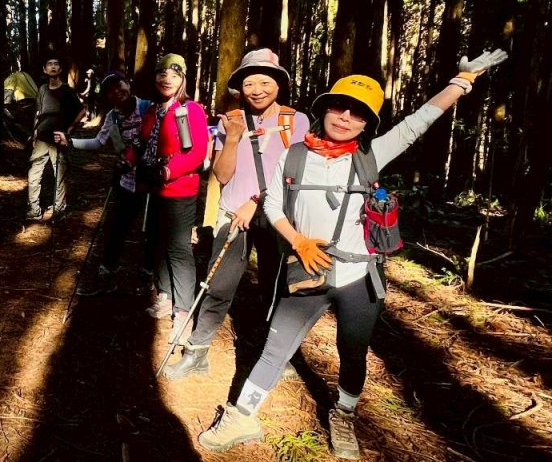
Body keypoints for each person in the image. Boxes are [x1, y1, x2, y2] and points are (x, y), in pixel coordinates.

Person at [195, 50, 507, 459]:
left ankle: (343, 415)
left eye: (357, 113)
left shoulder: (371, 156)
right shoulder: (295, 154)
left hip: (359, 277)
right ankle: (242, 415)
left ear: (367, 123)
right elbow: (271, 203)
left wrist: (461, 82)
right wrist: (298, 241)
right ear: (324, 109)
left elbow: (418, 124)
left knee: (353, 349)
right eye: (338, 107)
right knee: (275, 347)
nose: (344, 117)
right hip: (306, 268)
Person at [162, 48, 310, 380]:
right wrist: (231, 139)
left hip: (277, 216)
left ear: (279, 84)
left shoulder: (296, 121)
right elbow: (222, 174)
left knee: (276, 286)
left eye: (265, 81)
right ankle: (198, 352)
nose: (257, 89)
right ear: (239, 87)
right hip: (233, 214)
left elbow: (296, 175)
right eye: (249, 83)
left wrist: (257, 201)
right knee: (217, 285)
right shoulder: (226, 121)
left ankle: (276, 356)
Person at [53, 72, 154, 295]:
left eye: (120, 86)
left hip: (154, 182)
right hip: (126, 180)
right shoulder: (113, 117)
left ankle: (149, 274)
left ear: (128, 84)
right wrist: (70, 142)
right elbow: (99, 141)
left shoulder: (149, 108)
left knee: (151, 231)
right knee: (116, 227)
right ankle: (107, 270)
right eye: (111, 91)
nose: (118, 92)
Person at [139, 54, 209, 340]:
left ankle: (182, 312)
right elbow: (144, 144)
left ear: (183, 79)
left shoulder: (190, 109)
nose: (166, 79)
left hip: (179, 189)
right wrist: (130, 157)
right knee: (159, 242)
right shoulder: (153, 110)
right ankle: (166, 296)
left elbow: (198, 152)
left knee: (179, 250)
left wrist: (168, 171)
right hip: (155, 188)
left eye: (173, 74)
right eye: (161, 74)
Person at [26, 55, 86, 221]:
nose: (53, 67)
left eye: (56, 64)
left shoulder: (66, 90)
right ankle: (34, 210)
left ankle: (59, 209)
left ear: (60, 69)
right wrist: (34, 133)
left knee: (59, 175)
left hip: (58, 140)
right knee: (34, 174)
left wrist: (69, 130)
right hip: (41, 139)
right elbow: (38, 113)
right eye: (49, 64)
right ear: (45, 69)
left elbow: (82, 111)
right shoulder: (43, 89)